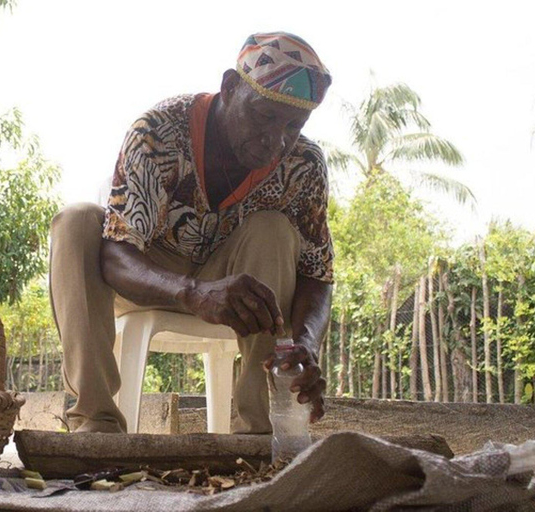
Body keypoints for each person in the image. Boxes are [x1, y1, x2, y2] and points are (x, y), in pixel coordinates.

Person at [51, 32, 333, 434]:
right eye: (265, 116)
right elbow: (115, 255)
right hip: (139, 278)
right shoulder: (160, 131)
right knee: (76, 220)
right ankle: (94, 423)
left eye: (293, 125)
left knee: (274, 230)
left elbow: (316, 273)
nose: (277, 139)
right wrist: (193, 292)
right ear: (230, 87)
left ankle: (257, 431)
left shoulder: (302, 165)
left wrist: (306, 342)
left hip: (232, 288)